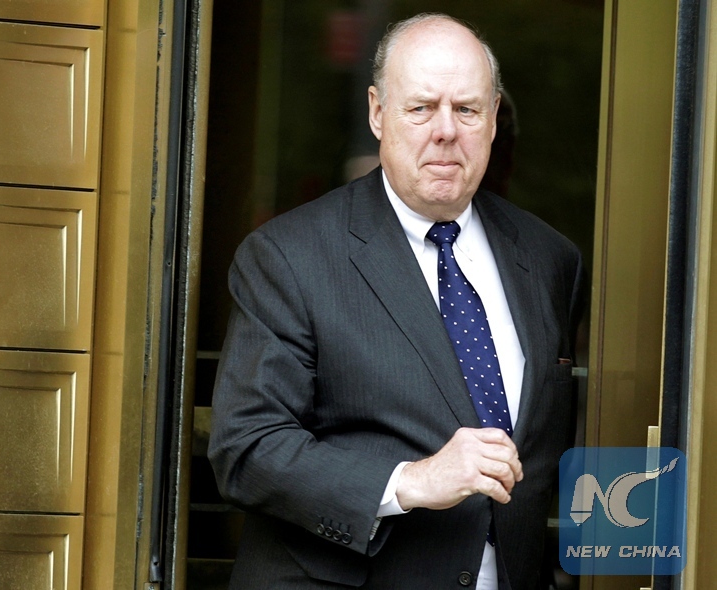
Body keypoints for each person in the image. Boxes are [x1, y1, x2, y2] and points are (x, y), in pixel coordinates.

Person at [208, 12, 584, 589]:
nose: (446, 130)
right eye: (421, 107)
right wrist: (409, 481)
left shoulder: (550, 258)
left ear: (492, 119)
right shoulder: (289, 257)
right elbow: (246, 449)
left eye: (466, 109)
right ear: (378, 112)